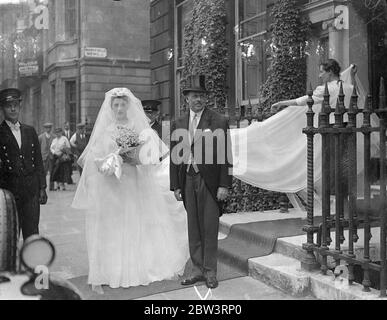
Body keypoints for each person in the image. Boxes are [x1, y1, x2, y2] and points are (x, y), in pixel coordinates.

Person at [71, 88, 189, 292]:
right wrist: (111, 159)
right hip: (112, 186)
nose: (119, 108)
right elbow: (95, 160)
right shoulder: (105, 131)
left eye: (122, 104)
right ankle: (113, 269)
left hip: (134, 182)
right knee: (115, 225)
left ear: (129, 106)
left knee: (135, 220)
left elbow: (152, 158)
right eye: (115, 105)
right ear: (111, 107)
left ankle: (137, 266)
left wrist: (135, 157)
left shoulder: (141, 130)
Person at [229, 59, 379, 208]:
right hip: (349, 131)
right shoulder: (349, 87)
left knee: (329, 168)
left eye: (322, 72)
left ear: (330, 72)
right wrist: (351, 77)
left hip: (332, 131)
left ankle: (334, 207)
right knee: (345, 167)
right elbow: (354, 98)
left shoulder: (325, 89)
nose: (320, 76)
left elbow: (306, 100)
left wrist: (283, 103)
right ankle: (346, 205)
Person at [169, 74, 233, 289]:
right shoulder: (177, 123)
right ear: (186, 98)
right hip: (187, 179)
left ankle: (210, 271)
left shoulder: (218, 121)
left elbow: (225, 154)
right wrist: (175, 185)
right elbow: (174, 157)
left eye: (202, 96)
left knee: (209, 226)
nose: (198, 100)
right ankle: (197, 269)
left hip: (210, 181)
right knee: (193, 227)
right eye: (194, 96)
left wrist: (224, 184)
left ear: (206, 99)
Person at [0, 88, 47, 240]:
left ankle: (31, 264)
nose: (13, 109)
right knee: (10, 235)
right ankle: (11, 264)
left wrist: (42, 188)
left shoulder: (30, 131)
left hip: (31, 191)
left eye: (15, 105)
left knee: (32, 232)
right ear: (3, 108)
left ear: (20, 106)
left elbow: (38, 162)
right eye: (9, 106)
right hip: (9, 191)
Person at [38, 122, 55, 191]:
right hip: (44, 157)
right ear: (44, 129)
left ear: (51, 128)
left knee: (52, 172)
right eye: (47, 128)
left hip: (51, 157)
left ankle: (52, 187)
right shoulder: (40, 137)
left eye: (49, 128)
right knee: (43, 173)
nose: (48, 129)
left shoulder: (54, 137)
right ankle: (43, 186)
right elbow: (38, 147)